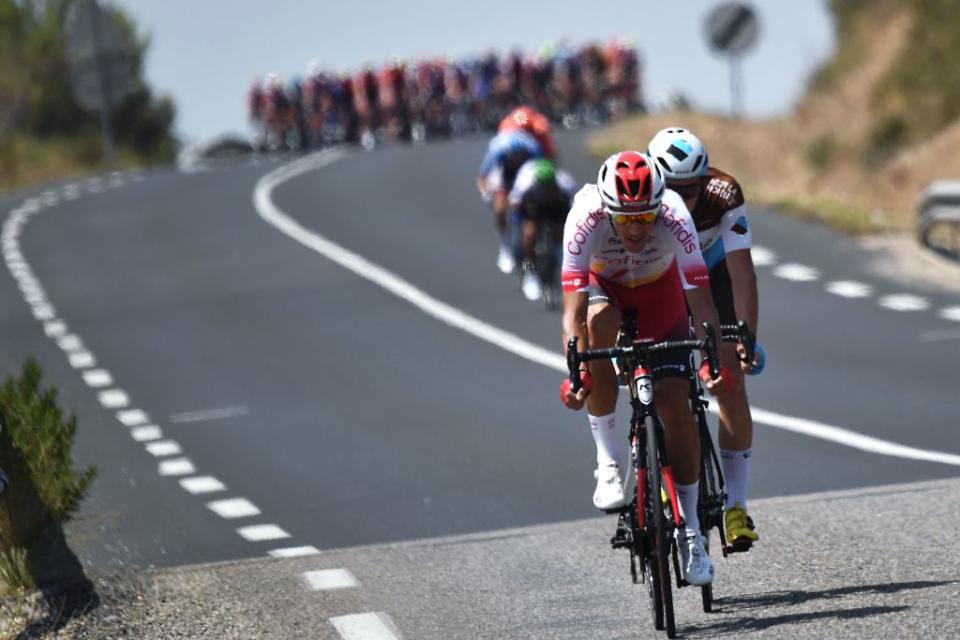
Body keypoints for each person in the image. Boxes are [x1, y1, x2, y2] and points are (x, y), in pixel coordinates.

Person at [559, 150, 728, 587]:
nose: (636, 229)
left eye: (644, 218)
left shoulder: (674, 214)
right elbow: (572, 315)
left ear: (658, 207)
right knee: (597, 330)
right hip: (607, 293)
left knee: (676, 407)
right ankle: (609, 461)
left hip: (660, 296)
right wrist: (576, 372)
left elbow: (701, 302)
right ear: (606, 209)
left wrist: (710, 357)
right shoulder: (583, 218)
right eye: (625, 219)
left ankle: (691, 530)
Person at [647, 126, 764, 550]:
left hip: (712, 278)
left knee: (730, 381)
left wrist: (745, 336)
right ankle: (662, 465)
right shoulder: (639, 198)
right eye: (673, 191)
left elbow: (742, 275)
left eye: (691, 190)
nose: (684, 200)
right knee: (654, 380)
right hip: (660, 280)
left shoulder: (723, 193)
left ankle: (735, 505)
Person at [507, 158, 577, 301]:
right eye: (544, 186)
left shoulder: (566, 184)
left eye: (550, 185)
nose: (547, 189)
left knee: (561, 230)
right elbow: (516, 212)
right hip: (533, 206)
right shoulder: (525, 187)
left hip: (558, 206)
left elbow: (574, 209)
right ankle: (529, 264)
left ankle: (559, 258)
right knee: (530, 231)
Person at [476, 129, 544, 274]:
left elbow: (543, 171)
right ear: (507, 153)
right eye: (513, 157)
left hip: (526, 174)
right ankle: (504, 246)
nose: (516, 159)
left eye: (519, 156)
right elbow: (482, 178)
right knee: (500, 208)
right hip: (503, 176)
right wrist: (486, 194)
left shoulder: (533, 150)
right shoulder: (497, 153)